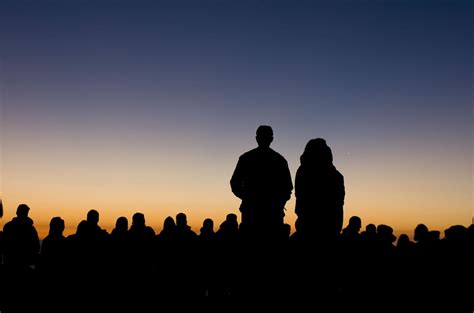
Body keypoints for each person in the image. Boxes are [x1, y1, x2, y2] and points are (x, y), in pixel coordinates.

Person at [230, 125, 293, 239]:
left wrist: (248, 198)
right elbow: (288, 188)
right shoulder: (279, 160)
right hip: (268, 214)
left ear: (256, 138)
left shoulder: (246, 158)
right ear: (271, 139)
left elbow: (234, 184)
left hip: (257, 214)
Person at [294, 138, 345, 241]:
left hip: (308, 223)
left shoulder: (302, 171)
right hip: (327, 225)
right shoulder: (336, 176)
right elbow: (338, 202)